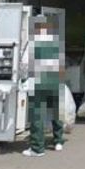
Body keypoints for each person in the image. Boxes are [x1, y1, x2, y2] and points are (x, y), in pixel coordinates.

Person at [23, 16, 65, 157]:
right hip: (54, 81)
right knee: (56, 112)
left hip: (39, 82)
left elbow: (25, 64)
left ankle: (37, 148)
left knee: (37, 116)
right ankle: (58, 141)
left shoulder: (33, 42)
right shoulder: (54, 42)